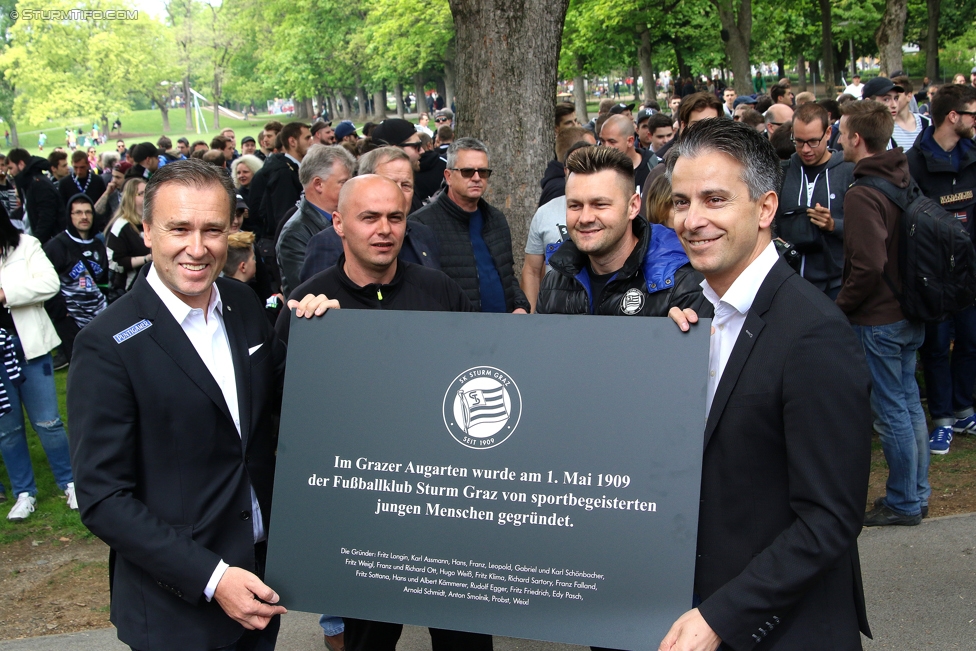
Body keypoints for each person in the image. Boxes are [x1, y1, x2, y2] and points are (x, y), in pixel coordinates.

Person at [68, 159, 333, 651]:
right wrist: (213, 578)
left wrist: (324, 336)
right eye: (179, 228)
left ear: (231, 229)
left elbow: (286, 400)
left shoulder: (243, 304)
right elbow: (103, 498)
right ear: (146, 231)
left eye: (212, 229)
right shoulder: (107, 345)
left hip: (259, 585)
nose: (197, 247)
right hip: (176, 610)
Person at [664, 118, 872, 650]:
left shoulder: (815, 334)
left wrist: (722, 618)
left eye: (714, 199)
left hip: (781, 629)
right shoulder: (687, 316)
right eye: (682, 201)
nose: (693, 219)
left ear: (764, 208)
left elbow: (829, 519)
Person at [277, 175, 483, 651]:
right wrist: (315, 347)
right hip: (365, 516)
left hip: (445, 506)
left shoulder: (440, 292)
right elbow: (285, 416)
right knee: (368, 640)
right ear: (339, 224)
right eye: (369, 217)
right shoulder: (311, 307)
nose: (384, 229)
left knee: (464, 637)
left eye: (394, 217)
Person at [834, 100, 930, 526]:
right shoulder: (901, 174)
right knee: (909, 405)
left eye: (840, 132)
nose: (838, 139)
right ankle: (917, 493)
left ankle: (904, 501)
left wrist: (842, 307)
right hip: (909, 310)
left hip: (880, 319)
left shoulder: (863, 193)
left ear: (857, 138)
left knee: (892, 412)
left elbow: (867, 264)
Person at [535, 145, 704, 317]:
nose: (585, 218)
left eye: (600, 205)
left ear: (633, 206)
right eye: (575, 206)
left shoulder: (680, 284)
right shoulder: (554, 283)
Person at [905, 83, 976, 454]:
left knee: (969, 340)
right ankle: (943, 419)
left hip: (970, 269)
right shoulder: (915, 161)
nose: (975, 121)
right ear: (953, 116)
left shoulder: (973, 154)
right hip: (933, 273)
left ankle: (964, 409)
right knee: (935, 346)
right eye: (972, 114)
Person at [0, 208, 76, 520]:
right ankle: (24, 492)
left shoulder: (26, 245)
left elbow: (49, 283)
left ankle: (70, 482)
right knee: (7, 428)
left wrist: (6, 294)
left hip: (30, 347)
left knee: (47, 422)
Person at [410, 138, 530, 313]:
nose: (476, 178)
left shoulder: (496, 219)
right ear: (448, 176)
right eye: (467, 172)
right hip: (456, 332)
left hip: (504, 329)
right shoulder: (421, 224)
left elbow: (506, 275)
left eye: (482, 172)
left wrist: (520, 305)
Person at [300, 147, 440, 283]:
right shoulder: (327, 242)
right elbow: (317, 296)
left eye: (406, 185)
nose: (397, 192)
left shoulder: (424, 234)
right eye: (388, 183)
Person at [776, 102, 853, 298]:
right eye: (799, 141)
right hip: (790, 284)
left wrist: (833, 225)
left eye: (812, 141)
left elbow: (866, 231)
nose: (805, 149)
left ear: (828, 133)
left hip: (836, 286)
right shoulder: (782, 172)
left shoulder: (848, 170)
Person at [276, 144, 355, 297]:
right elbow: (308, 291)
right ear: (318, 184)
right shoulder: (294, 234)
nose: (351, 189)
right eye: (344, 182)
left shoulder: (346, 219)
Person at [42, 194, 108, 328]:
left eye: (88, 212)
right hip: (71, 322)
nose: (84, 217)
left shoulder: (98, 245)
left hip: (100, 320)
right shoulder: (56, 246)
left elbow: (103, 281)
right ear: (69, 215)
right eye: (78, 212)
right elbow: (45, 283)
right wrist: (61, 314)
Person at [104, 177, 151, 292]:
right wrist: (147, 259)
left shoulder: (151, 223)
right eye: (141, 193)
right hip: (129, 289)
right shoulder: (121, 226)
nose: (147, 196)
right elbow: (115, 261)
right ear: (131, 198)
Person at [7, 148, 63, 244]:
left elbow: (46, 218)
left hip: (48, 243)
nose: (10, 173)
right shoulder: (28, 183)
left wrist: (36, 242)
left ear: (21, 164)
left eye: (11, 168)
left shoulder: (39, 184)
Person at [600, 115, 660, 197]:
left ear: (630, 141)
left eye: (612, 141)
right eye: (602, 141)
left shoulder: (654, 166)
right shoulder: (598, 169)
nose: (606, 147)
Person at [58, 150, 108, 231]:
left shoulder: (97, 180)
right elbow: (62, 208)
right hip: (73, 227)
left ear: (88, 165)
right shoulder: (64, 183)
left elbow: (104, 204)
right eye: (75, 167)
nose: (79, 171)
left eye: (82, 167)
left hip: (96, 226)